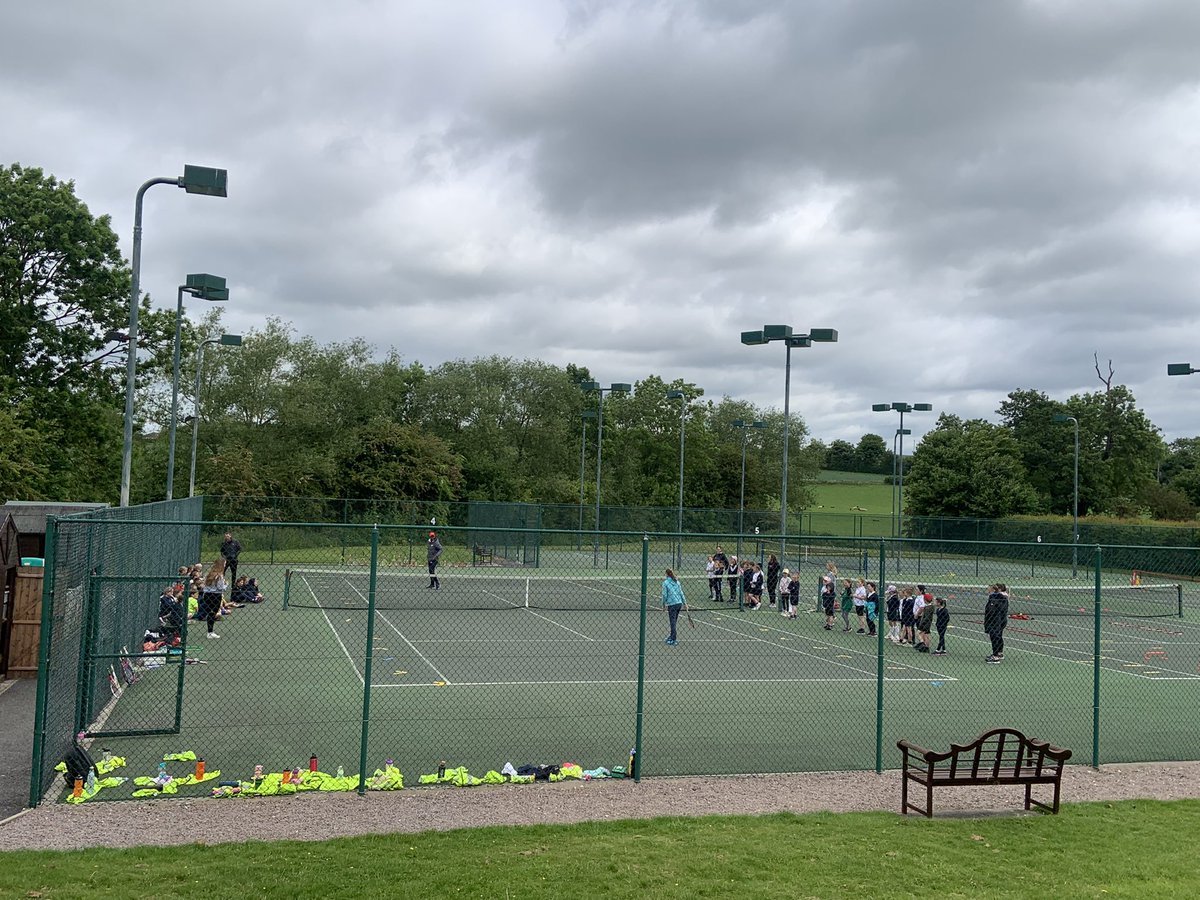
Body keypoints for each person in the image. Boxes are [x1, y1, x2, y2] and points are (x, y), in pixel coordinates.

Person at [200, 558, 227, 639]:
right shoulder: (219, 575)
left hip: (207, 595)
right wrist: (226, 585)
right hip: (215, 595)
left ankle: (210, 631)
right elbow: (220, 587)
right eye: (224, 564)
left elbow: (204, 585)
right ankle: (210, 632)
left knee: (210, 612)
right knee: (213, 613)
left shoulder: (209, 573)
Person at [984, 584, 1010, 663]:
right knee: (997, 636)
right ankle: (998, 653)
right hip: (996, 620)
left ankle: (996, 656)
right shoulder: (994, 598)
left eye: (989, 589)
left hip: (996, 621)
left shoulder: (998, 598)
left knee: (995, 637)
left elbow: (993, 610)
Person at [661, 568, 687, 645]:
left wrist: (663, 604)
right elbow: (681, 593)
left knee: (672, 622)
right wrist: (685, 603)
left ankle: (673, 638)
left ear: (666, 574)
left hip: (672, 604)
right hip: (679, 603)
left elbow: (664, 595)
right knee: (674, 621)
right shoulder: (677, 582)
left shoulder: (665, 583)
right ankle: (672, 636)